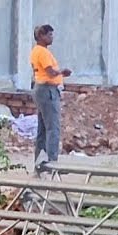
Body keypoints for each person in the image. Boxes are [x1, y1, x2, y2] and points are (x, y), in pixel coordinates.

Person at [30, 24, 72, 162]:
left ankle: (39, 163)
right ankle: (52, 162)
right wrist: (62, 72)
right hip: (47, 90)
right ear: (41, 36)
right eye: (49, 35)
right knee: (53, 128)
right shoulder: (42, 52)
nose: (51, 37)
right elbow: (50, 72)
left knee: (42, 130)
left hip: (41, 89)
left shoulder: (35, 51)